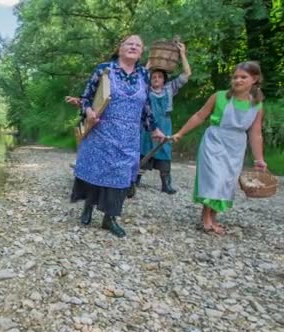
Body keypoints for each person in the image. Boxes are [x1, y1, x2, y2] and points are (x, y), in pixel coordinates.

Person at [70, 34, 165, 237]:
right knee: (98, 170)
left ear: (142, 51)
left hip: (130, 136)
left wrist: (154, 129)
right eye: (129, 43)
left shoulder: (143, 75)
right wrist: (89, 112)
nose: (133, 47)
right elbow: (86, 97)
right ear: (120, 48)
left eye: (138, 45)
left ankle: (109, 218)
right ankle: (88, 205)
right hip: (102, 131)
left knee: (121, 177)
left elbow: (146, 105)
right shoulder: (104, 69)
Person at [172, 61, 267, 235]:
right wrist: (181, 133)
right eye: (235, 77)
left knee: (226, 182)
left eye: (243, 77)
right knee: (214, 179)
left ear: (254, 79)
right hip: (215, 140)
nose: (238, 80)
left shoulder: (257, 105)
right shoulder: (220, 96)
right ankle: (206, 219)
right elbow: (200, 116)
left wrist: (259, 159)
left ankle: (211, 216)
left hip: (236, 145)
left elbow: (255, 133)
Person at [136, 42, 192, 194]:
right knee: (144, 148)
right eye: (153, 76)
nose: (156, 79)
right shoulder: (145, 89)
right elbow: (138, 77)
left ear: (164, 79)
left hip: (165, 123)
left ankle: (166, 184)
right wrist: (150, 63)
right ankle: (135, 179)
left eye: (159, 76)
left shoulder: (170, 88)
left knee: (165, 150)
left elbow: (187, 74)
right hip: (148, 125)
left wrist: (182, 54)